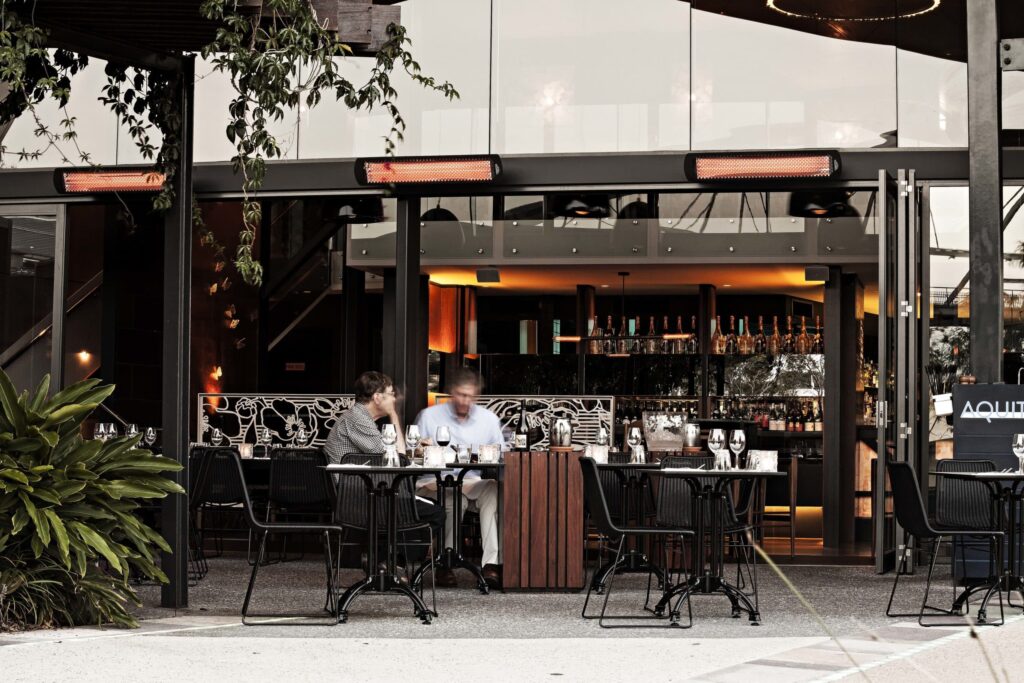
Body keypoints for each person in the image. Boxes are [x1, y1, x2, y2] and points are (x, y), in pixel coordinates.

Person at [324, 371, 444, 567]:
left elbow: (394, 455)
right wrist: (394, 414)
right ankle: (394, 563)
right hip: (358, 498)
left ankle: (389, 561)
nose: (394, 398)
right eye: (390, 393)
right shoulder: (358, 419)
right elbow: (397, 458)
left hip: (364, 493)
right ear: (377, 397)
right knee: (434, 512)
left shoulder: (361, 418)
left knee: (415, 506)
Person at [415, 367, 503, 588]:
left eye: (469, 396)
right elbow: (413, 449)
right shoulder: (429, 416)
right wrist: (420, 447)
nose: (464, 400)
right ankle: (447, 562)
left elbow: (502, 452)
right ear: (452, 393)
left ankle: (491, 564)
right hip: (434, 480)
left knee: (493, 489)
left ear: (476, 396)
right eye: (461, 395)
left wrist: (492, 451)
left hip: (471, 479)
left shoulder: (488, 419)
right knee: (454, 498)